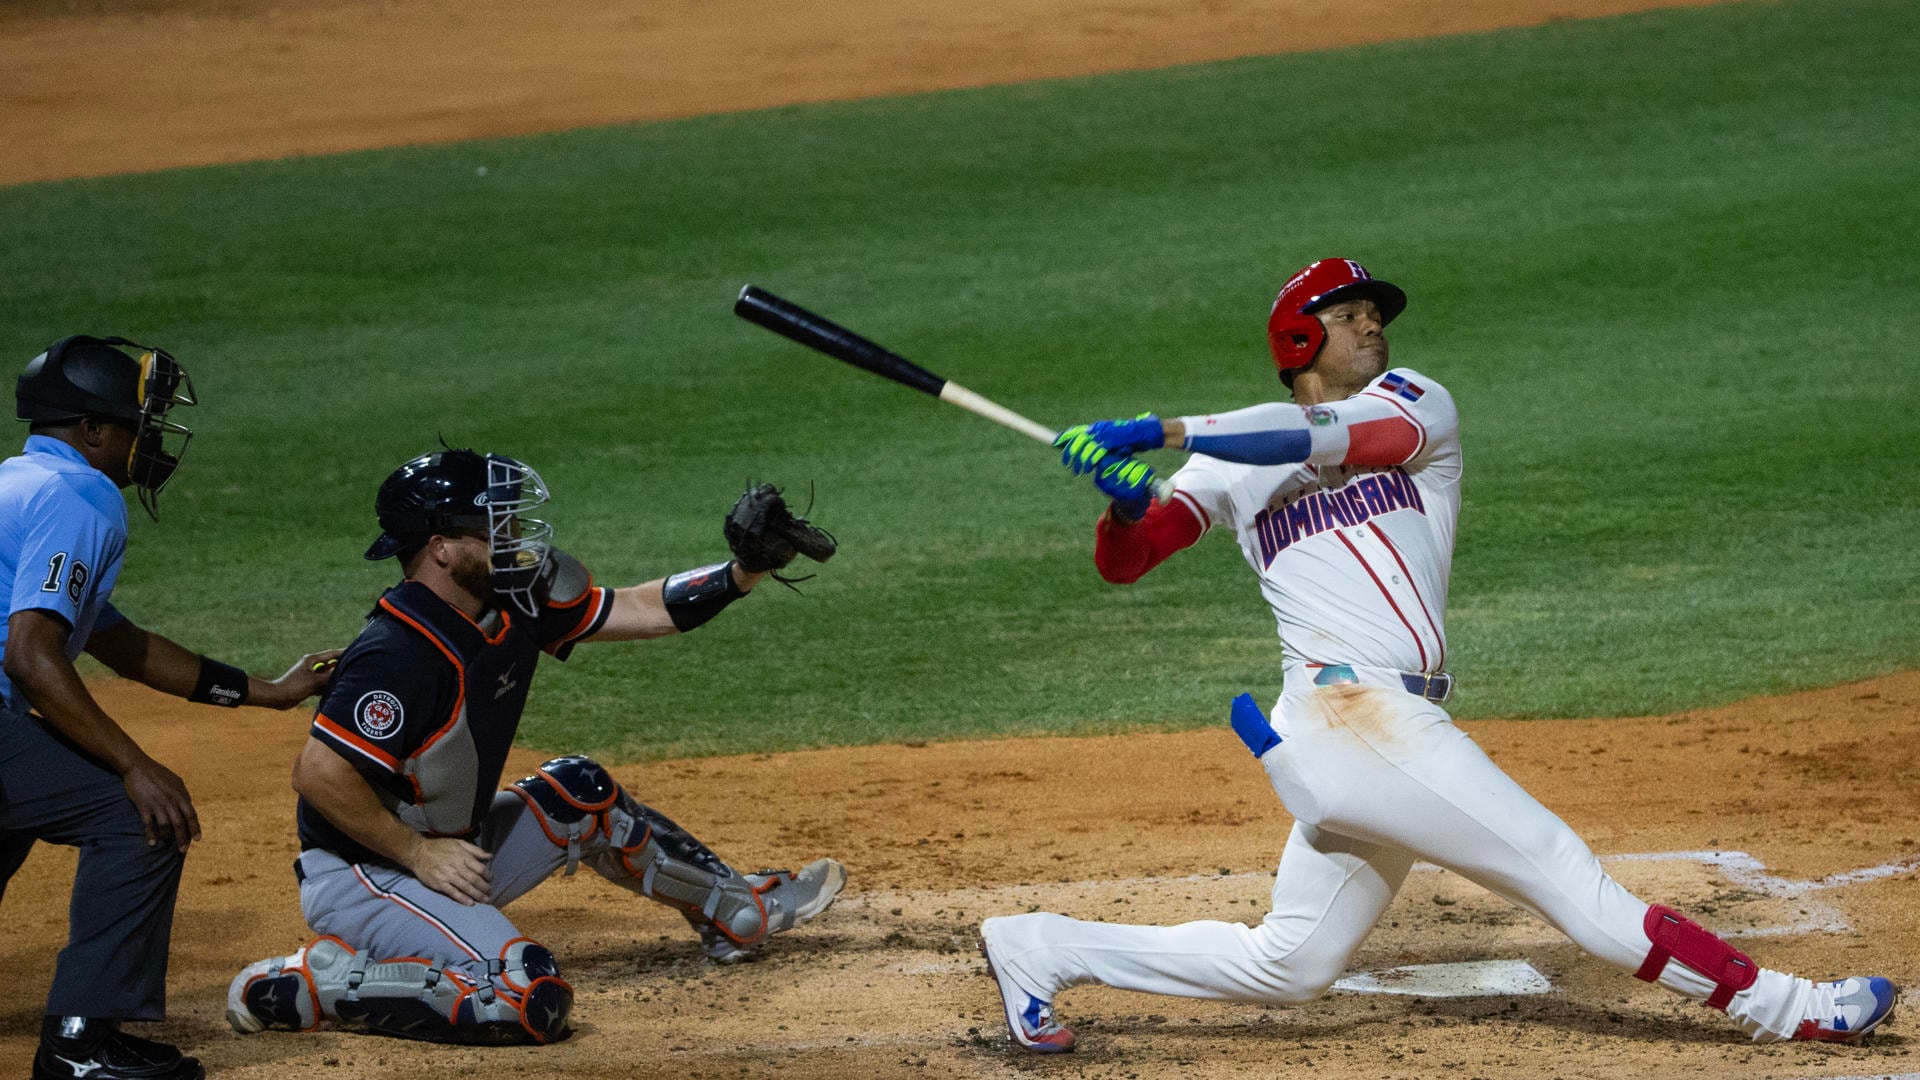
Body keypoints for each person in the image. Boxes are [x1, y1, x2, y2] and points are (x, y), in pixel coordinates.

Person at [976, 258, 1898, 1053]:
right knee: (1561, 871)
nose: (1371, 324)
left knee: (1293, 962)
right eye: (1347, 315)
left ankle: (1041, 947)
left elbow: (1326, 437)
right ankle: (1795, 1007)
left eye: (1374, 313)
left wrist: (1164, 430)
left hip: (1381, 727)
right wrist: (1125, 505)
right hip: (1351, 719)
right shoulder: (1229, 467)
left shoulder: (1416, 407)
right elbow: (1126, 564)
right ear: (1299, 340)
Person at [224, 452, 847, 1044]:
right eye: (493, 524)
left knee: (583, 794)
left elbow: (638, 609)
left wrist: (743, 572)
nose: (514, 534)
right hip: (367, 872)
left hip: (453, 854)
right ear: (440, 549)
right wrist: (417, 854)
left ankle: (735, 911)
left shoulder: (514, 599)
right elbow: (318, 773)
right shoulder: (398, 650)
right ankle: (322, 986)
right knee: (526, 998)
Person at [2, 335, 340, 1080]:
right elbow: (30, 655)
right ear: (92, 430)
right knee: (137, 817)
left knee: (18, 807)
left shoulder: (20, 482)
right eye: (135, 424)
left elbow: (121, 642)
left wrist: (266, 690)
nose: (145, 442)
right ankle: (79, 1048)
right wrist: (135, 764)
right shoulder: (79, 497)